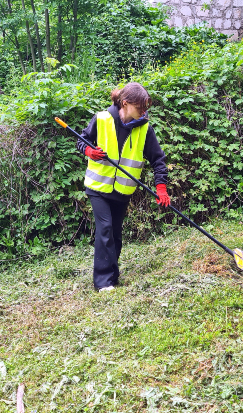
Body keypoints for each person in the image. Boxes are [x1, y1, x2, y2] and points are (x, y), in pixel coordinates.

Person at [76, 82, 171, 292]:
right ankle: (103, 282)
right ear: (126, 104)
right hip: (98, 187)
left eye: (146, 109)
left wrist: (161, 187)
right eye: (141, 108)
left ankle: (112, 275)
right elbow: (82, 140)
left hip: (122, 191)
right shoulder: (101, 119)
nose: (144, 113)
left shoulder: (144, 129)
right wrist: (89, 151)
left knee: (116, 233)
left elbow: (158, 160)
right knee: (105, 228)